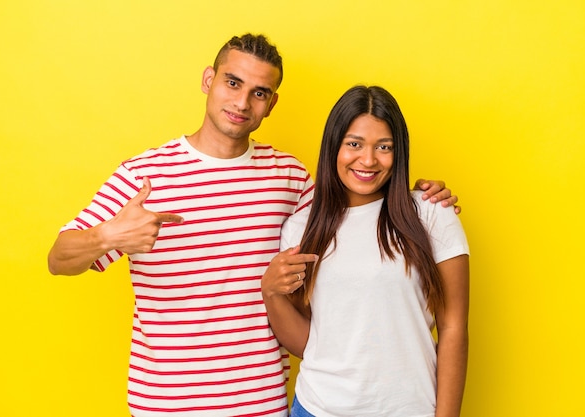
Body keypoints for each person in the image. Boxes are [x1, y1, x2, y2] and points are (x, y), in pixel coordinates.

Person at [48, 34, 459, 417]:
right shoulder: (144, 175)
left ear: (271, 103)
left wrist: (421, 197)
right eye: (232, 82)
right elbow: (59, 258)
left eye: (258, 92)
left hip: (262, 401)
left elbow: (357, 202)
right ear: (209, 80)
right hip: (166, 402)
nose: (242, 102)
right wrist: (108, 235)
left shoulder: (291, 178)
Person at [261, 85, 470, 417]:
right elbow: (312, 346)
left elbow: (454, 327)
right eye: (354, 144)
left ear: (398, 152)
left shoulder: (431, 213)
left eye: (383, 147)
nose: (368, 160)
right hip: (317, 408)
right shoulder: (302, 227)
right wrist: (270, 293)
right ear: (334, 147)